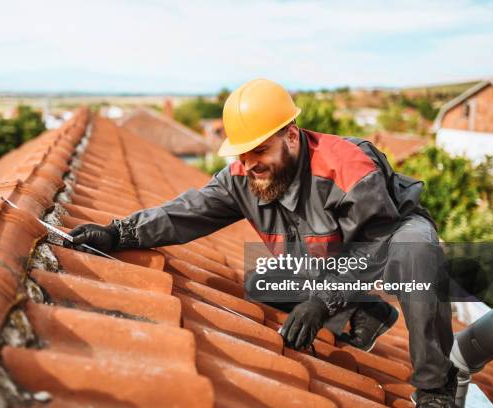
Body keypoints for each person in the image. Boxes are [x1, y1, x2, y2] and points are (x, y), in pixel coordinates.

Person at [64, 79, 456, 407]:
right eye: (242, 154)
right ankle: (369, 312)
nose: (250, 163)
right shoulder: (242, 176)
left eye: (259, 151)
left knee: (416, 254)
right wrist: (119, 233)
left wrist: (322, 302)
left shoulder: (347, 167)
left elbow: (374, 246)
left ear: (290, 135)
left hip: (388, 236)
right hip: (326, 256)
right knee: (261, 283)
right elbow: (185, 212)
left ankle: (437, 387)